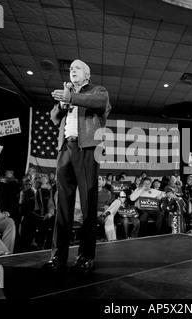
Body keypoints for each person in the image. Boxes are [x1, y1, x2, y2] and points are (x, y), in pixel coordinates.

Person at [44, 59, 111, 272]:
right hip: (65, 149)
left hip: (88, 150)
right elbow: (54, 117)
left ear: (87, 75)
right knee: (63, 204)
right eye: (71, 68)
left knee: (88, 203)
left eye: (77, 68)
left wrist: (71, 96)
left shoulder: (97, 90)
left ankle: (85, 256)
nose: (72, 70)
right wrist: (64, 103)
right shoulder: (68, 94)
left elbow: (99, 104)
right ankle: (58, 256)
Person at [19, 173, 55, 251]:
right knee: (29, 221)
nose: (37, 180)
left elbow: (51, 204)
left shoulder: (45, 191)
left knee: (52, 219)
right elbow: (22, 209)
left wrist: (50, 213)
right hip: (30, 216)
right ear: (30, 180)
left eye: (38, 178)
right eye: (34, 178)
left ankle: (44, 246)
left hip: (43, 216)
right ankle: (28, 246)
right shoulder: (25, 193)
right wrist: (35, 215)